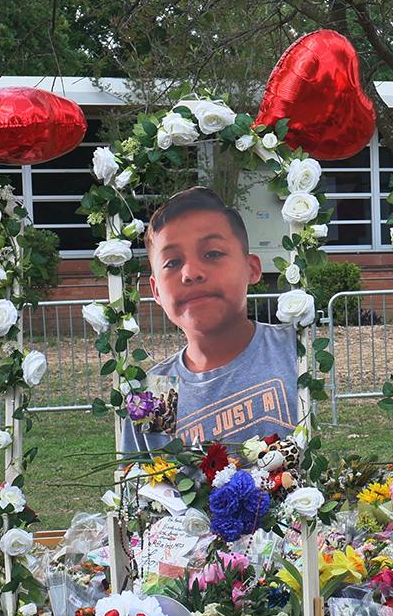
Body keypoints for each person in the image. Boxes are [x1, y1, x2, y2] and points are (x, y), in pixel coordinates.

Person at [118, 187, 299, 455]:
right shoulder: (153, 395)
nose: (191, 273)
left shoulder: (297, 351)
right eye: (173, 262)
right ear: (156, 291)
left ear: (252, 269)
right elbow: (144, 490)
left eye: (212, 253)